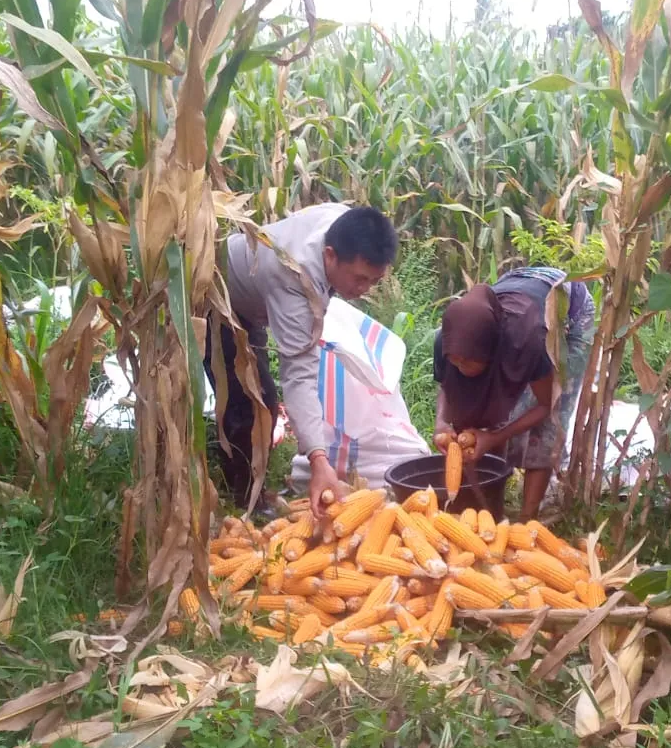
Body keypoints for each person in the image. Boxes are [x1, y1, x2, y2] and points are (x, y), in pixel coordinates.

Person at [211, 203, 398, 518]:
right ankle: (243, 500)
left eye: (374, 281)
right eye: (359, 279)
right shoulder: (294, 278)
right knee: (252, 404)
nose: (364, 290)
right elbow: (298, 376)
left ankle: (251, 482)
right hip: (216, 299)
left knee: (262, 403)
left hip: (253, 299)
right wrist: (318, 460)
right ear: (329, 256)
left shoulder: (344, 221)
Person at [432, 266, 596, 520]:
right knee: (489, 415)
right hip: (519, 286)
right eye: (456, 361)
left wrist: (494, 438)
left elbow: (545, 405)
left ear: (491, 351)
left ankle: (527, 517)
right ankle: (489, 504)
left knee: (546, 427)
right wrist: (441, 423)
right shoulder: (448, 340)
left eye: (468, 361)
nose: (460, 366)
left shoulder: (528, 343)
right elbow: (447, 385)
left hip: (569, 310)